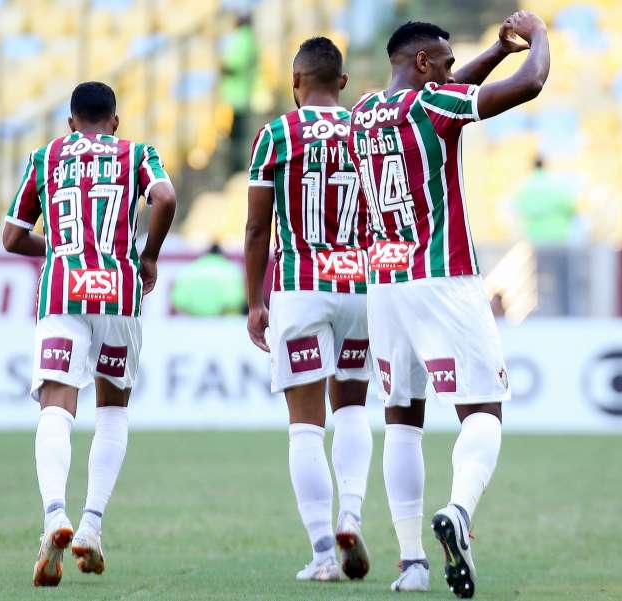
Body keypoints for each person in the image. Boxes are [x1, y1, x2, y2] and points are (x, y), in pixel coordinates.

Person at [348, 14, 549, 597]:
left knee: (402, 420)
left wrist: (494, 49)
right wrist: (537, 39)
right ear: (420, 65)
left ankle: (411, 564)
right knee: (483, 410)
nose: (452, 70)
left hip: (384, 284)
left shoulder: (363, 113)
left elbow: (455, 87)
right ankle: (459, 513)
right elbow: (530, 85)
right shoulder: (431, 107)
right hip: (442, 276)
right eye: (444, 61)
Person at [2, 81, 177, 588]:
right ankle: (92, 525)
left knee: (57, 404)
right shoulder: (135, 152)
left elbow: (12, 236)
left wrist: (58, 245)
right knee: (113, 410)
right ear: (115, 122)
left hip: (62, 293)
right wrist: (149, 255)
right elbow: (164, 195)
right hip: (119, 291)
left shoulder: (45, 157)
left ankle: (54, 514)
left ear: (71, 122)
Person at [244, 37, 373, 583]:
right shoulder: (370, 131)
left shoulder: (275, 134)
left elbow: (255, 227)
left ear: (295, 83)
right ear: (342, 83)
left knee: (304, 428)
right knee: (352, 410)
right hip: (362, 287)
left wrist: (255, 301)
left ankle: (324, 551)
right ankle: (351, 513)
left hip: (300, 286)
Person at [221, 13, 259, 173]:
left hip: (234, 97)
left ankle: (234, 170)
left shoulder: (241, 40)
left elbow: (232, 65)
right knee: (241, 135)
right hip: (245, 94)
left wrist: (221, 67)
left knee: (234, 137)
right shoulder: (252, 40)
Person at [513, 155, 576, 244]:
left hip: (534, 236)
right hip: (558, 234)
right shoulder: (557, 183)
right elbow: (569, 207)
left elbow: (519, 211)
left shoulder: (524, 185)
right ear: (546, 165)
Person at [171, 243, 245, 316]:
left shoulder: (190, 269)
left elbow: (178, 301)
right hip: (223, 323)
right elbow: (235, 300)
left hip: (192, 322)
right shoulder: (231, 270)